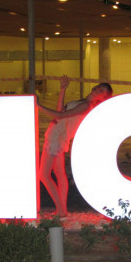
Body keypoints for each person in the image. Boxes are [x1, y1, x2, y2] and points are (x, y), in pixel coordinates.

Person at [36, 75, 114, 217]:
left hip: (56, 138)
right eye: (99, 86)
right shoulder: (83, 102)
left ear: (102, 98)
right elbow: (61, 112)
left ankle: (61, 209)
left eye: (101, 90)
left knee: (44, 175)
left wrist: (38, 105)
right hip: (58, 137)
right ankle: (62, 210)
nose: (98, 88)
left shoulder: (86, 105)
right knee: (59, 174)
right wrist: (63, 89)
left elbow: (59, 116)